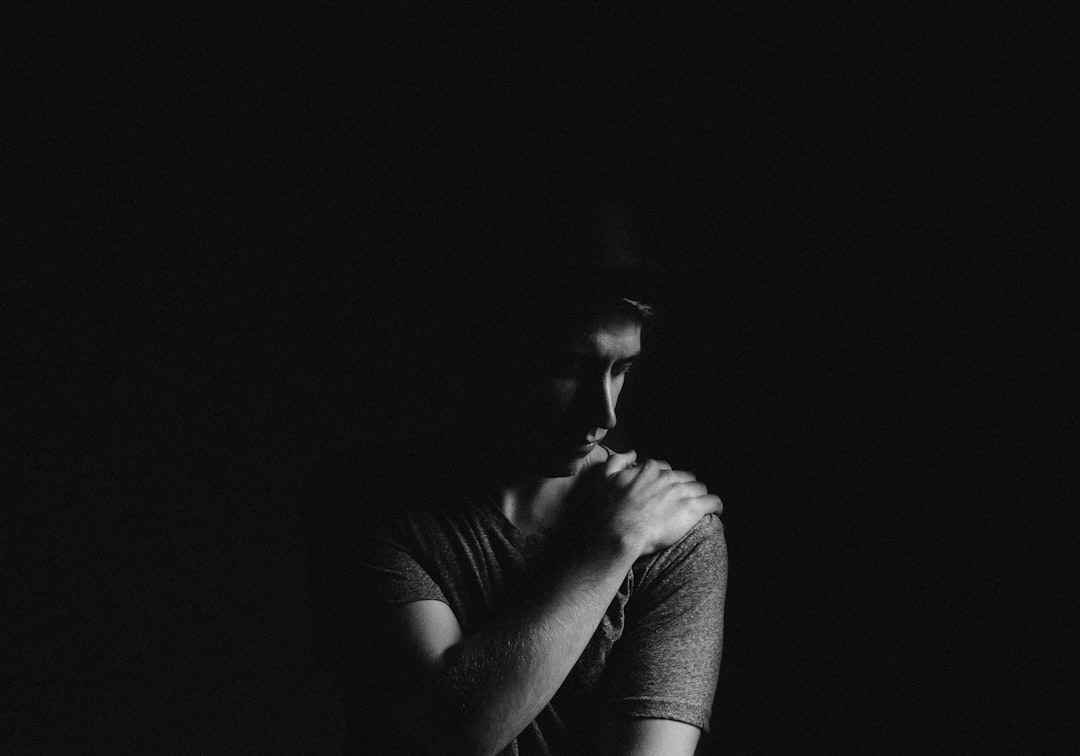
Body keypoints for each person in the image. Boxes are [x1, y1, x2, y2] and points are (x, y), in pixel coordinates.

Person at [306, 203, 728, 755]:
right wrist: (610, 547)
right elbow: (451, 732)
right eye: (568, 367)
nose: (604, 414)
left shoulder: (678, 533)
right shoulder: (368, 501)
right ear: (490, 352)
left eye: (621, 370)